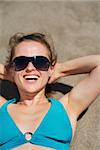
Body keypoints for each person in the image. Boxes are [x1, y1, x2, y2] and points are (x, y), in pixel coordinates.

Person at [0, 32, 100, 150]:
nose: (30, 68)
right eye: (20, 62)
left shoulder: (68, 107)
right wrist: (8, 73)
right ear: (12, 69)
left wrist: (61, 69)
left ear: (51, 69)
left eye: (41, 62)